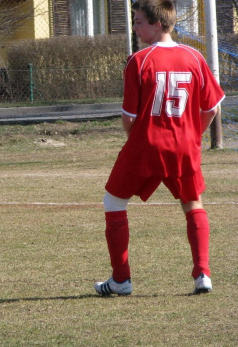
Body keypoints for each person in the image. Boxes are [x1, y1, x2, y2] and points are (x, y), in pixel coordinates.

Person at [94, 0, 225, 296]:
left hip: (146, 145)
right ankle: (203, 274)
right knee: (193, 204)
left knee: (113, 202)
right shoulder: (194, 56)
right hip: (183, 147)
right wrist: (193, 134)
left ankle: (121, 280)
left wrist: (135, 137)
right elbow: (213, 108)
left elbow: (129, 117)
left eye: (139, 21)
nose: (135, 27)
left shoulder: (139, 60)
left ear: (158, 24)